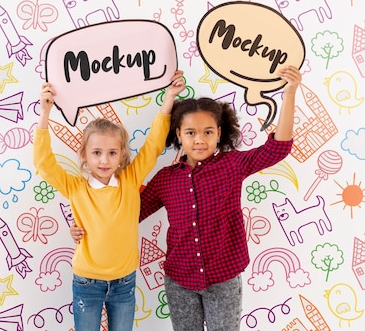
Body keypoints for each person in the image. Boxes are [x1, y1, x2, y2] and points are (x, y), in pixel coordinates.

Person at [71, 65, 302, 330]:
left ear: (219, 133)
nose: (199, 140)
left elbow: (278, 149)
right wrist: (83, 226)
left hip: (223, 278)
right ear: (179, 134)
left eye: (208, 132)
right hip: (180, 280)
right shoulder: (166, 179)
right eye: (191, 133)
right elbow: (125, 213)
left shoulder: (232, 165)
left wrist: (290, 94)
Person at [34, 70, 185, 331]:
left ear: (121, 154)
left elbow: (153, 146)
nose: (104, 160)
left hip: (124, 282)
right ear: (84, 155)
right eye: (97, 153)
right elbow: (44, 164)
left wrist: (169, 97)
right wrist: (45, 114)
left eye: (112, 152)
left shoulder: (129, 179)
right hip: (86, 282)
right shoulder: (75, 186)